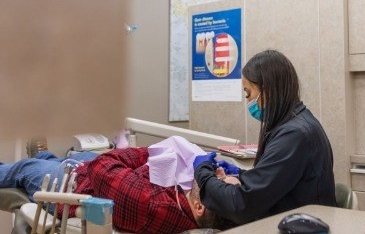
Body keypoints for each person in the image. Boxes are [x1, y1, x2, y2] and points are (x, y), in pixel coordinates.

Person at [193, 49, 337, 225]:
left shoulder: (294, 136)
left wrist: (203, 174)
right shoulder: (296, 123)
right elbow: (278, 179)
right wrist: (240, 175)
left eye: (248, 93)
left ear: (267, 91)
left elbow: (241, 204)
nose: (248, 102)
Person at [0, 144, 230, 233]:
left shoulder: (149, 204)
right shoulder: (188, 204)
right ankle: (46, 155)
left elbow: (102, 166)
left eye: (219, 181)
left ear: (199, 207)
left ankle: (41, 160)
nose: (219, 172)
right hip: (97, 172)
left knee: (23, 169)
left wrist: (154, 150)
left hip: (74, 182)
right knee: (52, 157)